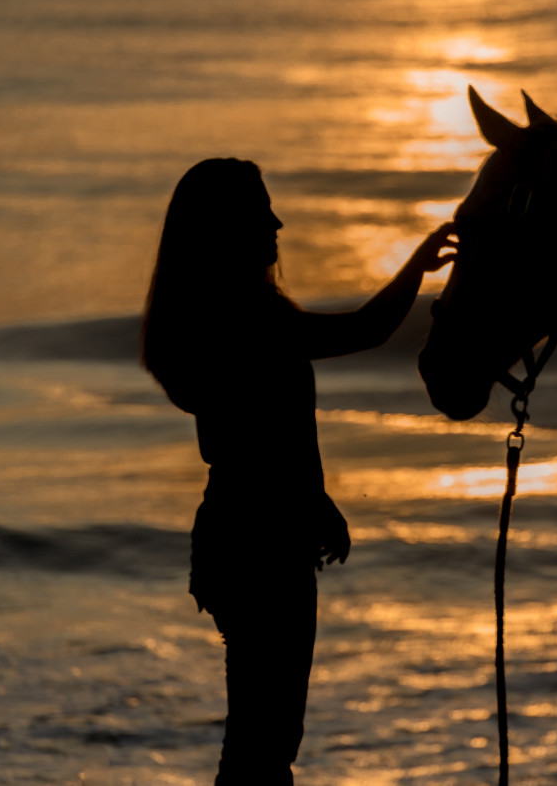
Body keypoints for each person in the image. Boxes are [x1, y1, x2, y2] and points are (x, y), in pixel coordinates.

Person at [141, 157, 455, 784]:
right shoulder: (246, 318)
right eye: (262, 210)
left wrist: (318, 500)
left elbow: (256, 436)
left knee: (261, 737)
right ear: (227, 227)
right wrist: (416, 266)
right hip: (260, 547)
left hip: (237, 533)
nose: (277, 222)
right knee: (264, 744)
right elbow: (364, 330)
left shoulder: (219, 315)